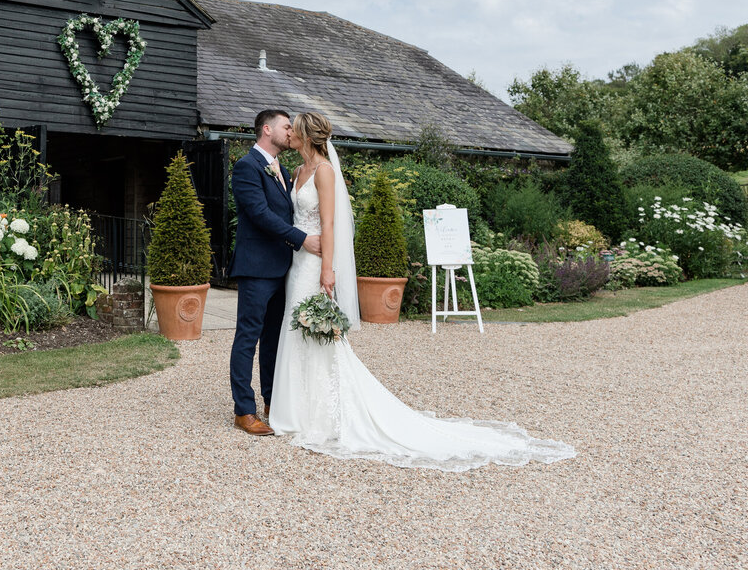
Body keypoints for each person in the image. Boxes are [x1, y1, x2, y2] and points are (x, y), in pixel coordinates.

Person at [268, 112, 577, 471]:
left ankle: (323, 414)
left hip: (315, 265)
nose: (288, 132)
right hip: (296, 264)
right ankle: (297, 409)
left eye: (293, 128)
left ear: (305, 135)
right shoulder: (295, 171)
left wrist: (327, 270)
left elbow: (331, 223)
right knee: (297, 329)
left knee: (319, 335)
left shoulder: (323, 171)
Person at [227, 109, 322, 436]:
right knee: (247, 337)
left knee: (272, 339)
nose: (290, 132)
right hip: (256, 267)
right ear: (267, 130)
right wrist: (302, 240)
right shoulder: (246, 167)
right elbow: (259, 214)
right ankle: (244, 410)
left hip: (283, 267)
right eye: (286, 126)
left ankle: (271, 400)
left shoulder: (283, 169)